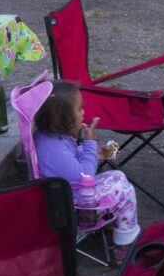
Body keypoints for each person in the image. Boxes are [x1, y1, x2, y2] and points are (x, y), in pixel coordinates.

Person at [34, 81, 141, 264]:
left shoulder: (49, 137)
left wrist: (88, 152)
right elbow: (85, 176)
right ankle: (123, 248)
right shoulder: (53, 149)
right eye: (79, 109)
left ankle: (117, 229)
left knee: (118, 177)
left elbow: (70, 164)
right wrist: (89, 144)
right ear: (63, 118)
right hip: (78, 210)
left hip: (68, 197)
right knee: (126, 192)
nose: (83, 112)